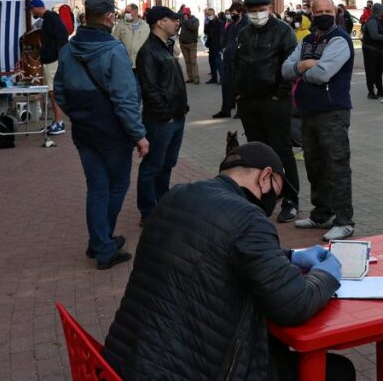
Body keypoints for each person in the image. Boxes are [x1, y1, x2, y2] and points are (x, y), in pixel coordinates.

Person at [101, 142, 352, 380]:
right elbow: (294, 304)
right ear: (265, 177)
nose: (273, 206)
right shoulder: (248, 218)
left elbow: (218, 247)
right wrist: (326, 275)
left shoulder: (176, 196)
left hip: (126, 361)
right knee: (338, 372)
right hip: (184, 371)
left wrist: (290, 256)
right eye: (276, 194)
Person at [54, 0, 148, 269]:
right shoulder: (114, 50)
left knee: (96, 188)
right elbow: (125, 99)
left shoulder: (69, 49)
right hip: (112, 131)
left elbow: (59, 91)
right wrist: (139, 135)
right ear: (109, 17)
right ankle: (102, 246)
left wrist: (80, 114)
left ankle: (99, 241)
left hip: (84, 130)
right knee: (116, 185)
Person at [282, 0, 358, 241]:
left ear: (335, 12)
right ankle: (321, 214)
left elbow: (323, 74)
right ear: (312, 14)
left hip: (332, 112)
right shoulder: (307, 40)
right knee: (315, 166)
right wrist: (305, 64)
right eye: (319, 11)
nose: (324, 14)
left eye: (329, 10)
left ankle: (345, 220)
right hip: (308, 111)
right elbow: (285, 69)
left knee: (336, 166)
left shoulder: (340, 39)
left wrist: (301, 69)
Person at [234, 0, 301, 223]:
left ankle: (292, 198)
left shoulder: (283, 31)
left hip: (274, 102)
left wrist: (278, 94)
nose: (257, 15)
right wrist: (239, 94)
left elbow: (290, 65)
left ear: (269, 8)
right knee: (256, 152)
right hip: (249, 102)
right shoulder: (243, 33)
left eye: (261, 10)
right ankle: (262, 196)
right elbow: (236, 65)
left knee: (282, 150)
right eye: (252, 12)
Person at [134, 6, 188, 225]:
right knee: (152, 166)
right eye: (172, 20)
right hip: (161, 120)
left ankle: (162, 202)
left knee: (167, 163)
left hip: (175, 116)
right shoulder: (148, 51)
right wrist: (166, 115)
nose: (177, 23)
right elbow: (150, 88)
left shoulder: (166, 47)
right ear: (160, 23)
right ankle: (147, 211)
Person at [29, 0, 69, 135]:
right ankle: (57, 121)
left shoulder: (51, 18)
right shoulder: (50, 18)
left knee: (53, 92)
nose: (31, 13)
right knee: (52, 91)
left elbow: (62, 35)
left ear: (35, 7)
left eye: (31, 9)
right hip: (51, 59)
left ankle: (59, 122)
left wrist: (57, 54)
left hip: (53, 60)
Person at [213, 2, 247, 118]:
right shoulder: (232, 25)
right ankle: (226, 109)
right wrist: (223, 49)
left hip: (240, 61)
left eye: (234, 13)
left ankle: (241, 111)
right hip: (228, 60)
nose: (232, 15)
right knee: (226, 84)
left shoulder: (246, 25)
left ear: (241, 13)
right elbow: (226, 39)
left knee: (239, 86)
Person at [360, 2, 383, 99]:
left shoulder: (379, 20)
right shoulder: (372, 20)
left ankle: (380, 89)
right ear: (378, 11)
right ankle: (371, 91)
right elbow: (374, 35)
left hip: (377, 50)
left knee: (378, 70)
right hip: (370, 50)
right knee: (371, 70)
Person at [112, 3, 150, 68]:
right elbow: (115, 42)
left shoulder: (146, 26)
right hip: (125, 63)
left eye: (128, 12)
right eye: (125, 12)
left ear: (135, 12)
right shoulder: (120, 26)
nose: (126, 14)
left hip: (142, 64)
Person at [203, 7, 224, 83]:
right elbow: (206, 32)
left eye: (209, 14)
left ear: (213, 14)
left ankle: (222, 78)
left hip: (217, 44)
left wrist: (221, 46)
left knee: (218, 62)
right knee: (211, 61)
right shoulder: (209, 22)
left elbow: (222, 34)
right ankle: (214, 78)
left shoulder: (219, 22)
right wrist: (206, 23)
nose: (208, 16)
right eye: (207, 15)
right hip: (211, 44)